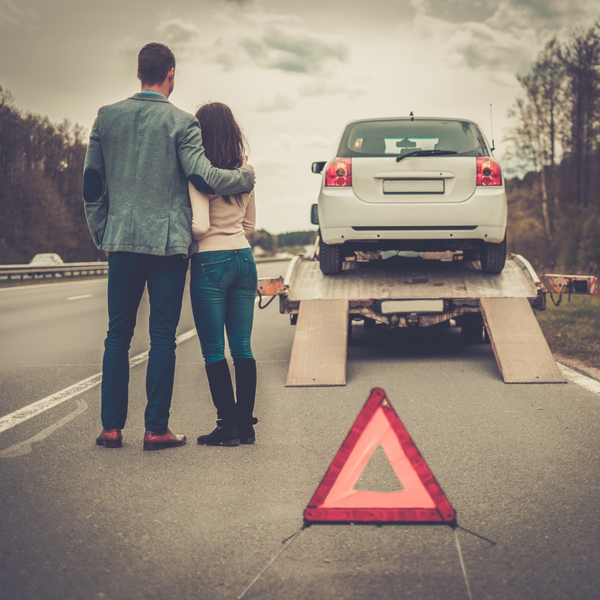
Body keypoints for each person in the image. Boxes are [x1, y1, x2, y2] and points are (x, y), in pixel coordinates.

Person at [82, 43, 255, 451]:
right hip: (167, 248)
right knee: (162, 338)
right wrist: (245, 178)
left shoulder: (106, 118)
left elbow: (92, 185)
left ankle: (111, 428)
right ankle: (155, 429)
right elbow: (205, 176)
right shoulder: (181, 123)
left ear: (139, 72)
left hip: (121, 241)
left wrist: (103, 235)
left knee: (116, 336)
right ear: (171, 73)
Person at [188, 102, 258, 447]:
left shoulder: (198, 175)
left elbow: (199, 228)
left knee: (214, 348)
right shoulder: (246, 172)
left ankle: (226, 426)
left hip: (209, 259)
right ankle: (245, 426)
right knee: (242, 345)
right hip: (244, 258)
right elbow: (250, 224)